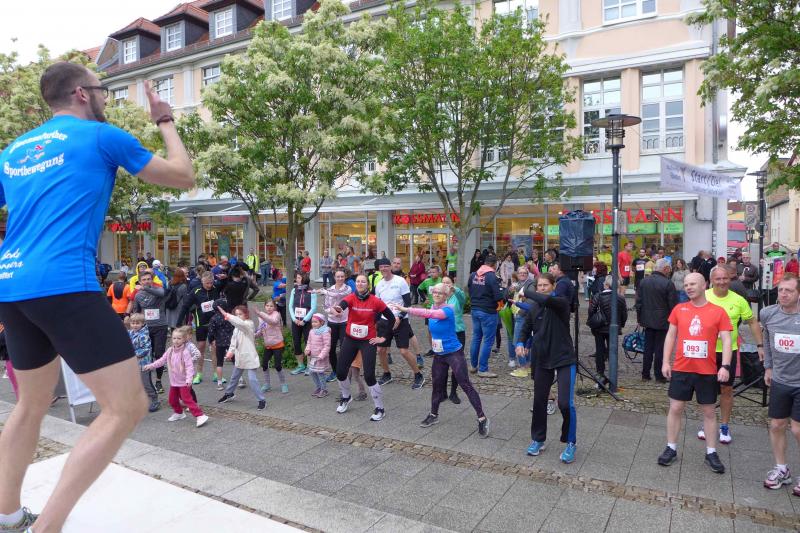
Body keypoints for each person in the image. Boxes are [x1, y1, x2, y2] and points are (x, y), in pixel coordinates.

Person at [657, 273, 732, 473]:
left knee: (709, 412)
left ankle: (711, 452)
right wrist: (665, 362)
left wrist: (725, 366)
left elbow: (726, 340)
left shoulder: (718, 311)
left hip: (707, 371)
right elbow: (670, 335)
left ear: (704, 285)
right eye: (686, 284)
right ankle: (671, 448)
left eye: (692, 284)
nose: (688, 287)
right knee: (675, 408)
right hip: (681, 368)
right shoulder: (679, 309)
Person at [391, 284, 489, 437]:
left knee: (465, 384)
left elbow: (429, 314)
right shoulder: (432, 306)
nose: (436, 294)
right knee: (436, 385)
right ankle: (433, 414)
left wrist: (406, 309)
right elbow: (431, 318)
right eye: (434, 292)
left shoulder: (448, 310)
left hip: (454, 353)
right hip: (439, 354)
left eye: (440, 293)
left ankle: (482, 418)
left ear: (446, 296)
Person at [517, 273, 578, 463]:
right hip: (542, 358)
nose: (542, 288)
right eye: (539, 285)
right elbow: (526, 327)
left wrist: (526, 290)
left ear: (553, 286)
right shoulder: (534, 307)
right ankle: (538, 439)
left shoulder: (561, 302)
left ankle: (570, 442)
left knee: (565, 404)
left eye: (545, 285)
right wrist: (520, 342)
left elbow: (544, 299)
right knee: (539, 401)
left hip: (564, 358)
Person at [698, 266, 764, 444]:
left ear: (730, 279)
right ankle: (707, 422)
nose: (722, 282)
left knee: (726, 389)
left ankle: (724, 425)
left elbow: (752, 322)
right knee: (707, 389)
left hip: (729, 351)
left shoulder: (738, 300)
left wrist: (760, 345)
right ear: (711, 281)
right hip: (706, 351)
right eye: (718, 279)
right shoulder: (703, 296)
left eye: (725, 278)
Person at [332, 274, 395, 421]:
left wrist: (383, 337)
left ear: (368, 285)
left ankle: (380, 408)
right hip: (350, 339)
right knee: (340, 372)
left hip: (368, 341)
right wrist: (337, 309)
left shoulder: (375, 301)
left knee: (369, 376)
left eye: (363, 282)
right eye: (358, 281)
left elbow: (391, 318)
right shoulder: (351, 298)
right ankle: (346, 397)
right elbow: (342, 305)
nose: (360, 284)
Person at [761, 274, 800, 492]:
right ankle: (782, 469)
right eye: (781, 290)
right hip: (780, 380)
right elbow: (767, 340)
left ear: (798, 293)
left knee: (797, 429)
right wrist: (768, 367)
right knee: (776, 425)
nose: (783, 294)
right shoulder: (768, 313)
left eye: (789, 291)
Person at [373, 258, 425, 389]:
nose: (384, 269)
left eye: (386, 266)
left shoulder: (400, 281)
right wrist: (375, 322)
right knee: (380, 349)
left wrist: (400, 317)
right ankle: (387, 374)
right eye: (381, 267)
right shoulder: (379, 284)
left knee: (403, 351)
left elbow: (407, 303)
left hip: (401, 320)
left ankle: (418, 375)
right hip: (385, 321)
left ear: (390, 267)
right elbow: (378, 306)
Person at [143, 329, 209, 428]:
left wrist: (189, 379)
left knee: (187, 400)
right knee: (172, 400)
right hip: (174, 382)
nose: (176, 340)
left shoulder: (185, 352)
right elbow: (161, 361)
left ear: (184, 339)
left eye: (179, 338)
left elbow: (189, 367)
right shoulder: (170, 351)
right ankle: (179, 413)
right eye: (174, 338)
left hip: (184, 382)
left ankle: (200, 415)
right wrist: (151, 366)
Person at [216, 305, 266, 410]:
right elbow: (233, 342)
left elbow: (240, 323)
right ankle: (229, 394)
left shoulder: (249, 324)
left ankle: (261, 400)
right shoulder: (236, 329)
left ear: (246, 314)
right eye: (236, 314)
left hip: (250, 357)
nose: (238, 316)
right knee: (234, 377)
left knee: (252, 379)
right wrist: (230, 352)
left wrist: (227, 315)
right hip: (240, 357)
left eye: (240, 314)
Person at [636, 258, 678, 383]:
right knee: (660, 349)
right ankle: (659, 375)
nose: (669, 271)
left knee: (648, 348)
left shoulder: (644, 281)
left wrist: (640, 319)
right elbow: (673, 305)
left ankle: (645, 374)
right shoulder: (668, 283)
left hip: (647, 320)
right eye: (669, 269)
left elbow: (638, 302)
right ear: (665, 269)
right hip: (663, 321)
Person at [176, 272, 220, 384]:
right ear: (202, 282)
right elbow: (185, 306)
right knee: (201, 348)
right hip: (201, 323)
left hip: (214, 323)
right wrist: (178, 323)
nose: (209, 285)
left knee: (215, 347)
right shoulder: (196, 291)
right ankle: (199, 374)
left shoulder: (216, 288)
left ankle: (216, 374)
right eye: (207, 283)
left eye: (211, 283)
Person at [131, 271, 169, 394]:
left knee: (159, 354)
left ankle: (158, 381)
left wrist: (145, 288)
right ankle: (147, 383)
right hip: (146, 328)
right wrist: (134, 325)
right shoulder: (138, 295)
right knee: (147, 355)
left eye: (148, 279)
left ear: (152, 280)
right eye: (144, 280)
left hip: (160, 326)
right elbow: (136, 312)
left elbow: (162, 293)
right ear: (140, 281)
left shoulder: (158, 290)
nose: (146, 281)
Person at [468, 255, 505, 377]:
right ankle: (483, 369)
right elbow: (498, 296)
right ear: (494, 264)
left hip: (475, 309)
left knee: (476, 338)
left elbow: (469, 289)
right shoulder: (492, 276)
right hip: (488, 311)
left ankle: (473, 366)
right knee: (488, 341)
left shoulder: (473, 275)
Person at [588, 277, 627, 382]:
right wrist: (621, 325)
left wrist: (593, 321)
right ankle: (612, 371)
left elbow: (591, 310)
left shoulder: (598, 296)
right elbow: (624, 314)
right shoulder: (620, 298)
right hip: (613, 328)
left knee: (599, 349)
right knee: (612, 349)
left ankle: (600, 371)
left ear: (606, 285)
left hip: (599, 327)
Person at [127, 313, 160, 413]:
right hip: (133, 364)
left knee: (146, 383)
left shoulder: (144, 335)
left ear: (142, 323)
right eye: (133, 323)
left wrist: (133, 354)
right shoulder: (130, 333)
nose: (135, 325)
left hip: (144, 364)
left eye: (137, 323)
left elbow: (146, 349)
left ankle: (154, 399)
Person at [255, 300, 289, 394]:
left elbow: (272, 322)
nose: (269, 308)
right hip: (268, 345)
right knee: (264, 365)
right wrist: (253, 335)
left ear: (274, 307)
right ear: (264, 306)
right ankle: (267, 384)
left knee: (277, 366)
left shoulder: (276, 314)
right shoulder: (261, 317)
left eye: (271, 306)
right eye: (267, 306)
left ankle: (283, 384)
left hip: (278, 344)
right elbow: (260, 331)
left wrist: (260, 313)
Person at [288, 272, 317, 375]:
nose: (297, 280)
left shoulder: (312, 291)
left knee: (308, 343)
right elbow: (290, 306)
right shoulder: (294, 290)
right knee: (296, 343)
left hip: (307, 322)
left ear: (304, 278)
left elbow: (313, 308)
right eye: (296, 278)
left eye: (299, 278)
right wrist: (294, 319)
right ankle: (301, 365)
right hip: (295, 321)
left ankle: (309, 366)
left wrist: (304, 320)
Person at [207, 299, 235, 389]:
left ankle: (219, 383)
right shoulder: (229, 316)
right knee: (235, 361)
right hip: (231, 342)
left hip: (219, 342)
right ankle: (240, 380)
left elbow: (211, 332)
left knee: (219, 362)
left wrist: (211, 340)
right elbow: (234, 327)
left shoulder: (213, 318)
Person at [305, 314, 332, 398]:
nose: (313, 324)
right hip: (313, 357)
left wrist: (321, 355)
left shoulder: (325, 332)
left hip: (321, 357)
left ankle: (324, 389)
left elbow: (327, 345)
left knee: (320, 373)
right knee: (312, 372)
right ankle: (318, 387)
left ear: (322, 322)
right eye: (312, 322)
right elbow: (309, 342)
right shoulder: (311, 331)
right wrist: (307, 349)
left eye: (316, 322)